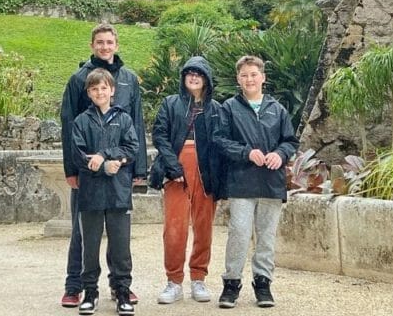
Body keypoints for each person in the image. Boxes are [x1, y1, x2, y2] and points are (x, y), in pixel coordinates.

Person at [60, 23, 147, 308]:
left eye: (109, 42)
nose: (105, 47)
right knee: (83, 230)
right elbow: (69, 126)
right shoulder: (78, 79)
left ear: (116, 45)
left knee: (119, 233)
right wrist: (71, 169)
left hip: (120, 171)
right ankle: (76, 286)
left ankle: (119, 287)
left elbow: (136, 123)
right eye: (99, 42)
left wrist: (139, 169)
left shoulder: (129, 79)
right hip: (87, 171)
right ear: (92, 45)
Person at [212, 56, 297, 309]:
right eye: (244, 75)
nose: (249, 79)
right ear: (238, 79)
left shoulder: (277, 109)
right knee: (238, 232)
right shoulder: (229, 107)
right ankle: (231, 283)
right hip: (242, 181)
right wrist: (246, 152)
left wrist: (279, 154)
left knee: (266, 236)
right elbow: (220, 140)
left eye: (253, 74)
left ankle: (263, 283)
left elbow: (290, 141)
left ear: (263, 77)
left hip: (271, 182)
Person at [151, 56, 221, 304]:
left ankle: (199, 278)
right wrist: (172, 166)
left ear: (206, 79)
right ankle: (173, 280)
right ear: (183, 77)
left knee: (204, 227)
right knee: (174, 227)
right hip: (176, 169)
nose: (193, 76)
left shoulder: (216, 109)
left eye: (199, 73)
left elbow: (220, 143)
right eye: (189, 72)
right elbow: (159, 135)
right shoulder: (170, 104)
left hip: (206, 171)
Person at [71, 68, 139, 315]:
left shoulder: (124, 119)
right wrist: (103, 168)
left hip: (118, 192)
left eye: (104, 88)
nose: (100, 92)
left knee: (120, 245)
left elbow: (131, 148)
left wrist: (106, 156)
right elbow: (78, 156)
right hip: (90, 192)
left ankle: (122, 291)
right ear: (88, 93)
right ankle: (90, 291)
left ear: (112, 90)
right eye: (94, 89)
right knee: (90, 245)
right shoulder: (81, 121)